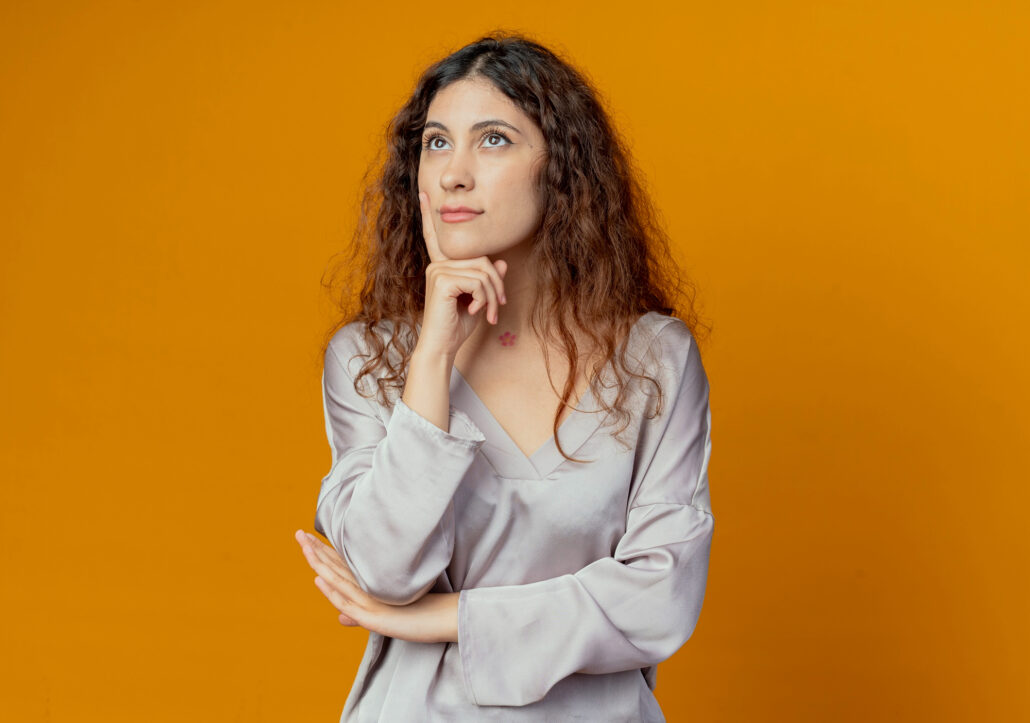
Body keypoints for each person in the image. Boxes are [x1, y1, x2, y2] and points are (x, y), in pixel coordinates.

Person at [294, 30, 714, 722]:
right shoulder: (367, 359)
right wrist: (433, 356)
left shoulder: (655, 360)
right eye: (436, 143)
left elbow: (661, 598)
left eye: (493, 140)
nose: (453, 174)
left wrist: (447, 617)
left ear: (563, 170)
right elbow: (383, 572)